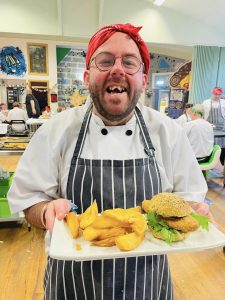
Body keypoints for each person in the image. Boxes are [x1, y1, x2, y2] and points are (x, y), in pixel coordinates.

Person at [8, 23, 212, 300]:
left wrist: (192, 211)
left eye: (129, 62)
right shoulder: (54, 132)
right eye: (105, 61)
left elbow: (187, 198)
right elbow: (28, 199)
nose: (117, 69)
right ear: (87, 75)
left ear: (143, 78)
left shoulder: (167, 132)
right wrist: (46, 211)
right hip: (73, 282)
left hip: (146, 282)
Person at [202, 87, 225, 165]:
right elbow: (202, 114)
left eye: (219, 94)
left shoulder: (223, 102)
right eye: (215, 94)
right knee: (209, 147)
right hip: (209, 129)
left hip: (221, 130)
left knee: (221, 148)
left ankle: (221, 165)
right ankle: (208, 164)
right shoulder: (206, 102)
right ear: (212, 93)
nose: (217, 96)